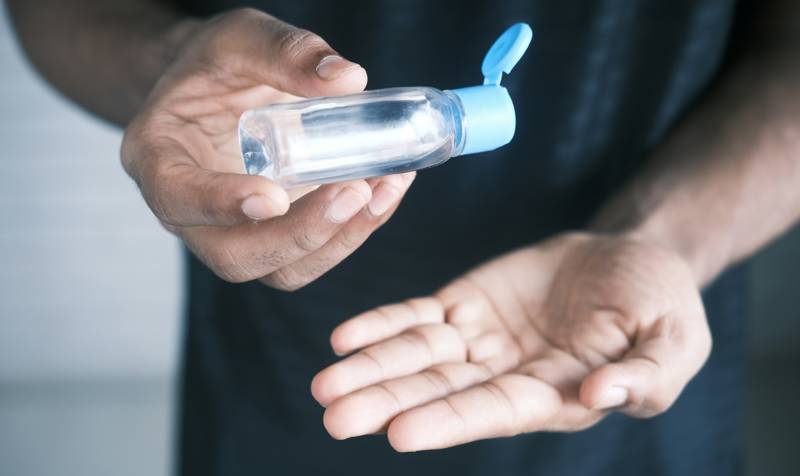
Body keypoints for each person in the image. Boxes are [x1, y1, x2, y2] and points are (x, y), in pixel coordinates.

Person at [8, 0, 800, 474]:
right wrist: (168, 62)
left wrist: (660, 241)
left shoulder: (431, 118)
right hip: (278, 356)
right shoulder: (429, 116)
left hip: (608, 342)